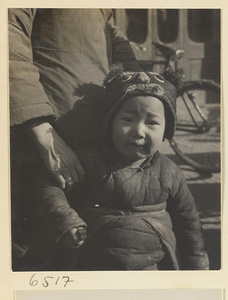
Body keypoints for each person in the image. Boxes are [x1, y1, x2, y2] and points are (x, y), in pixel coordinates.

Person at [34, 65, 210, 271]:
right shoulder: (89, 160)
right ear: (110, 123)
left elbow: (189, 225)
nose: (138, 131)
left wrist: (198, 269)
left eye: (152, 122)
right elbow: (50, 185)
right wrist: (65, 220)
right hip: (93, 265)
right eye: (127, 119)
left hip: (152, 269)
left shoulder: (170, 172)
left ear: (166, 130)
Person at [9, 8, 140, 269]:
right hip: (39, 150)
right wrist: (41, 131)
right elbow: (8, 35)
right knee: (31, 256)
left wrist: (137, 91)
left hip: (93, 150)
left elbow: (108, 33)